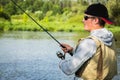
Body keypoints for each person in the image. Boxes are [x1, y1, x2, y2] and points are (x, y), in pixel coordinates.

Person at [59, 3, 117, 80]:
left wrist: (61, 63)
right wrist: (72, 51)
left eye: (86, 17)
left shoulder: (89, 43)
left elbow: (69, 69)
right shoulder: (111, 38)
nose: (83, 20)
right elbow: (96, 55)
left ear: (96, 20)